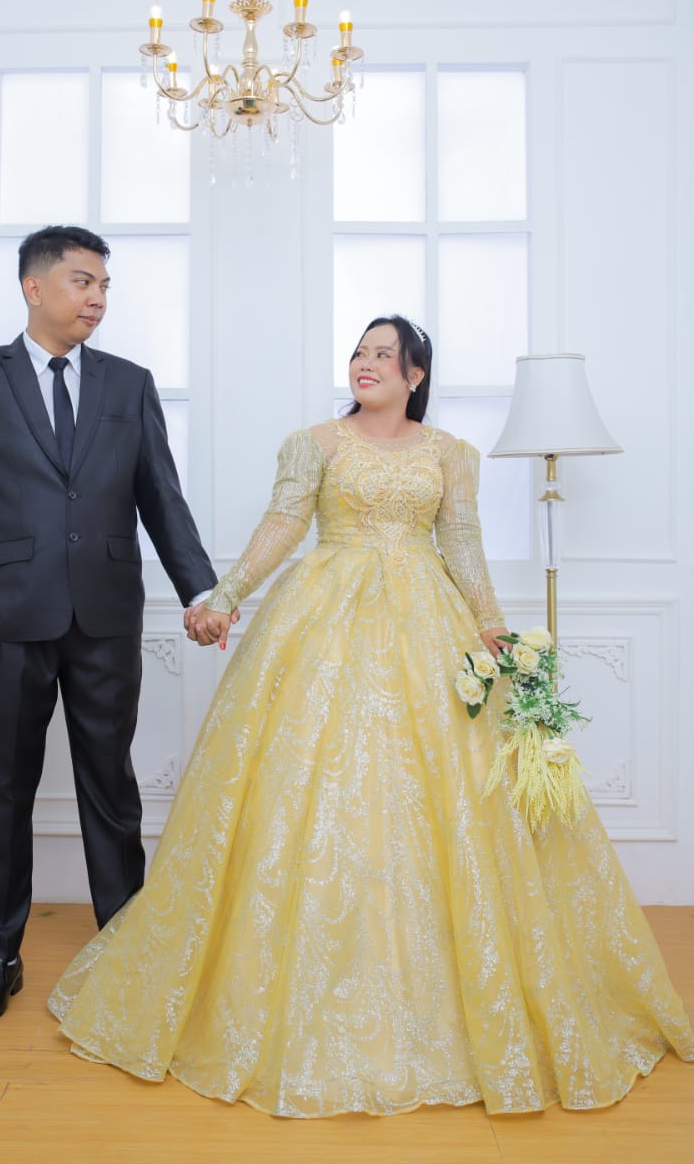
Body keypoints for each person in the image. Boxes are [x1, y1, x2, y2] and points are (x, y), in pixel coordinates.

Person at [48, 315, 694, 1116]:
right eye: (359, 352)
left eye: (384, 355)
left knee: (447, 797)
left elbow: (463, 546)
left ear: (415, 375)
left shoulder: (450, 454)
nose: (365, 364)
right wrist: (223, 596)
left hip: (428, 623)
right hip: (323, 620)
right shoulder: (313, 443)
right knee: (311, 794)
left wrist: (492, 631)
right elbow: (282, 526)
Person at [0, 224, 219, 1026]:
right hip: (3, 617)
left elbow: (161, 497)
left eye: (104, 286)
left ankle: (126, 951)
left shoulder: (128, 383)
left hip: (106, 615)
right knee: (4, 791)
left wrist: (199, 591)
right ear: (34, 286)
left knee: (110, 787)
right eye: (83, 282)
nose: (97, 298)